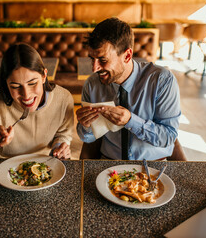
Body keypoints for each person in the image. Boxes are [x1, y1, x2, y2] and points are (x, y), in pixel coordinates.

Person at [76, 17, 181, 161]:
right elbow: (86, 138)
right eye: (91, 59)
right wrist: (86, 126)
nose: (95, 68)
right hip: (108, 164)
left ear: (127, 55)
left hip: (152, 167)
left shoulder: (162, 81)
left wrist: (131, 121)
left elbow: (168, 137)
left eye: (103, 60)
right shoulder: (92, 84)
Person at [0, 43, 74, 167]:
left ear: (44, 76)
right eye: (15, 86)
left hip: (46, 166)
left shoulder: (64, 98)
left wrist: (59, 147)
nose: (26, 95)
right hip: (2, 167)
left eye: (32, 83)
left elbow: (63, 133)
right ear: (6, 83)